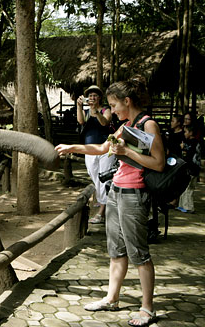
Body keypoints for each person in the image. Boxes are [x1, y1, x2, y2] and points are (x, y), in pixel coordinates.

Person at [56, 76, 164, 327]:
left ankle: (147, 308)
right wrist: (73, 147)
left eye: (114, 105)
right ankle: (111, 298)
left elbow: (158, 163)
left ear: (127, 101)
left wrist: (126, 152)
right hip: (116, 192)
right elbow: (103, 148)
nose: (111, 110)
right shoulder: (125, 125)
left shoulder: (148, 126)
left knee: (138, 252)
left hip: (134, 195)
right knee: (116, 250)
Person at [76, 85, 116, 224]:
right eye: (90, 96)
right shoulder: (86, 111)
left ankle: (101, 212)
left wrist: (95, 111)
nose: (92, 98)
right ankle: (103, 201)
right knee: (93, 174)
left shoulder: (106, 110)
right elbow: (80, 121)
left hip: (106, 148)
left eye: (95, 96)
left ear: (100, 98)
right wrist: (79, 106)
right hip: (90, 148)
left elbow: (105, 122)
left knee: (104, 176)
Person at [176, 125, 202, 213]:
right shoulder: (193, 142)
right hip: (193, 169)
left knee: (188, 188)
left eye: (186, 132)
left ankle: (188, 207)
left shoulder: (193, 143)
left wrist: (184, 148)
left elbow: (190, 154)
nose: (184, 133)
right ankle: (182, 205)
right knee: (185, 188)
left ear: (191, 133)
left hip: (191, 169)